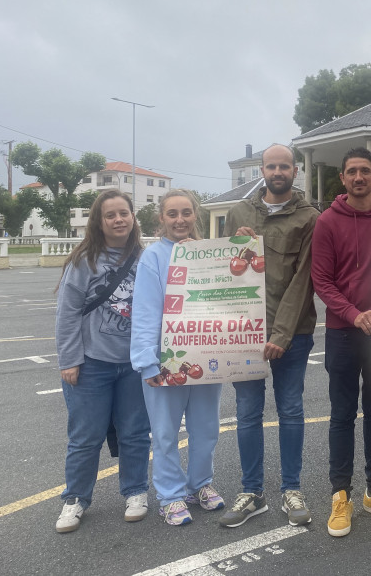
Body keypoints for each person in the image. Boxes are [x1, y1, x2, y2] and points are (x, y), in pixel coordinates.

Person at [311, 146, 371, 537]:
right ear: (342, 178)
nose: (358, 177)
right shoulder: (327, 222)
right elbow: (322, 281)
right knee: (340, 415)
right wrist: (354, 313)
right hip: (342, 333)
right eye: (351, 171)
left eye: (365, 171)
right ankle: (340, 494)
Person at [218, 144, 319, 528]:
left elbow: (304, 279)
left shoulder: (311, 217)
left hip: (292, 333)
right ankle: (252, 492)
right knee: (247, 413)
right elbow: (227, 273)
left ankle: (291, 489)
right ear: (261, 170)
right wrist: (236, 244)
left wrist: (281, 333)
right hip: (245, 331)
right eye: (271, 166)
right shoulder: (239, 212)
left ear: (295, 171)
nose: (277, 171)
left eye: (284, 166)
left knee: (291, 410)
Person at [54, 189, 150, 533]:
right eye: (110, 215)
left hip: (135, 364)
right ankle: (76, 498)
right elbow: (67, 314)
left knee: (136, 433)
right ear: (99, 221)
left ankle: (136, 491)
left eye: (124, 213)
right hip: (92, 362)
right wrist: (69, 360)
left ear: (133, 217)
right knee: (85, 436)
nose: (119, 219)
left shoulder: (145, 258)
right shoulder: (85, 260)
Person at [130, 189, 225, 526]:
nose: (180, 220)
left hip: (206, 353)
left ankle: (200, 484)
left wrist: (244, 247)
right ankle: (170, 495)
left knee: (206, 428)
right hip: (164, 358)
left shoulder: (209, 253)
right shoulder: (154, 256)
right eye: (173, 214)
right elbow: (144, 311)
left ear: (195, 215)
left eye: (186, 212)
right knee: (166, 431)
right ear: (162, 218)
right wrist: (146, 360)